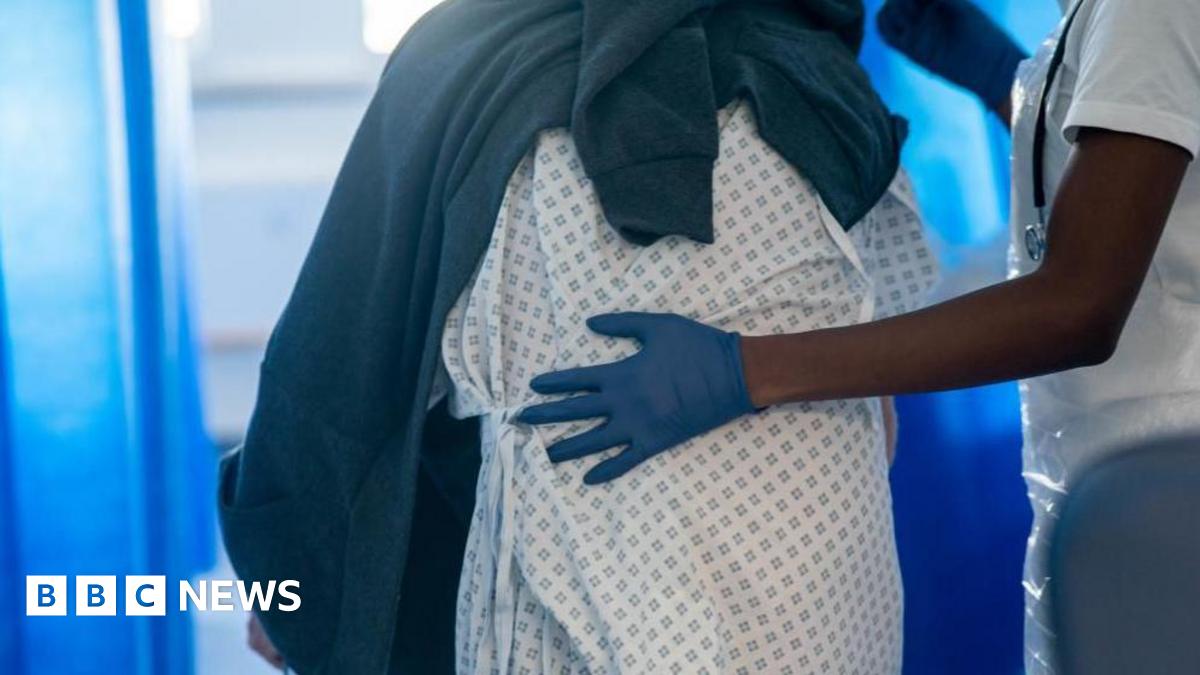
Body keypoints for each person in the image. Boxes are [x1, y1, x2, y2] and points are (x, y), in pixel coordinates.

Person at [223, 0, 923, 672]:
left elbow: (339, 376)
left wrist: (290, 578)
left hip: (590, 604)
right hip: (811, 596)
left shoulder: (465, 74)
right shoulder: (824, 87)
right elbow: (884, 412)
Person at [520, 1, 1200, 673]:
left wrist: (743, 370)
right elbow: (1128, 206)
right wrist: (1005, 83)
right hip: (1111, 504)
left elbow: (1077, 304)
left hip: (1166, 504)